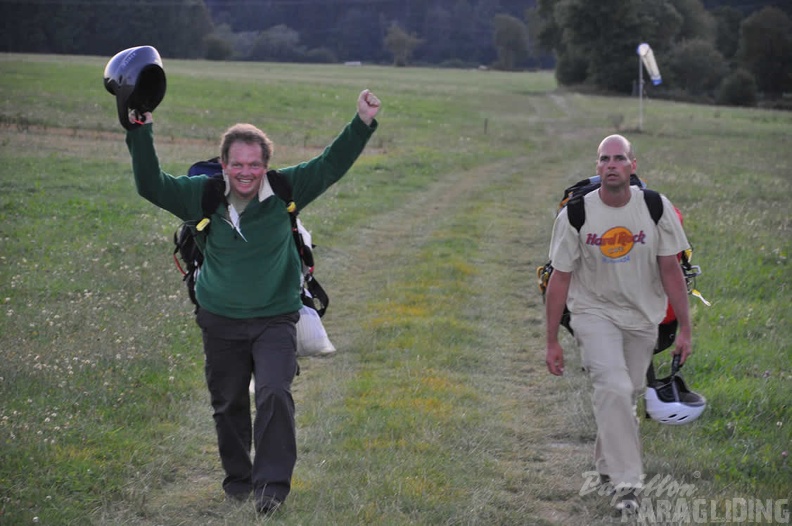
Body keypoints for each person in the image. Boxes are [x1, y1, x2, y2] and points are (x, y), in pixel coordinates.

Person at [124, 89, 381, 515]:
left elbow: (331, 164)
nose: (247, 173)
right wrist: (140, 132)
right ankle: (239, 482)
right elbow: (150, 185)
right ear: (224, 164)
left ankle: (271, 491)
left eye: (255, 164)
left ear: (266, 164)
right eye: (238, 164)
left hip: (276, 319)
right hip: (220, 321)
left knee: (275, 393)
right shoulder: (201, 195)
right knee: (228, 404)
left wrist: (362, 121)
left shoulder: (286, 189)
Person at [543, 134, 692, 513]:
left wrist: (686, 330)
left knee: (624, 393)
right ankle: (628, 487)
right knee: (613, 384)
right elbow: (559, 278)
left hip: (643, 317)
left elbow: (671, 269)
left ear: (632, 165)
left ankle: (607, 467)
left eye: (618, 158)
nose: (611, 164)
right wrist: (551, 342)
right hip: (593, 313)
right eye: (604, 159)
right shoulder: (576, 214)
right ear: (597, 167)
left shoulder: (655, 207)